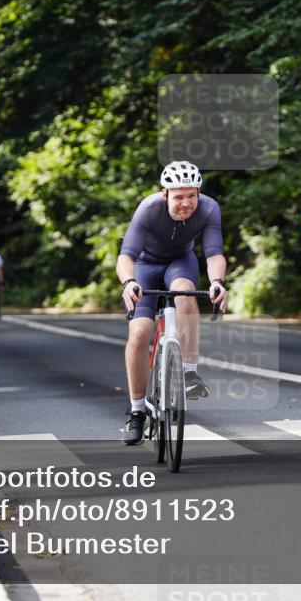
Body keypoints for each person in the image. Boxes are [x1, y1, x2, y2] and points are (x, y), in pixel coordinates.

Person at [117, 160, 228, 445]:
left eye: (192, 195)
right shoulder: (149, 208)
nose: (186, 203)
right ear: (165, 194)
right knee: (140, 332)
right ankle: (137, 410)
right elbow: (126, 255)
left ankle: (189, 373)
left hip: (180, 263)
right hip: (144, 266)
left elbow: (214, 252)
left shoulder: (209, 208)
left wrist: (217, 282)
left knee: (185, 293)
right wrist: (129, 283)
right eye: (179, 196)